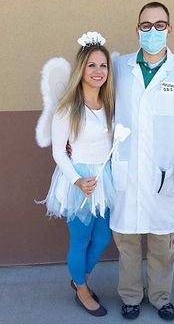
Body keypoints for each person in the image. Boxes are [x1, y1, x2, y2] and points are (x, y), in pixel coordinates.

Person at [111, 1, 174, 321]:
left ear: (170, 29)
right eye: (146, 26)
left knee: (163, 243)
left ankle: (161, 296)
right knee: (127, 241)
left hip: (164, 172)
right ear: (137, 30)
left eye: (159, 25)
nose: (153, 31)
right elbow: (97, 106)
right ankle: (131, 296)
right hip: (126, 170)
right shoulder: (119, 66)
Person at [37, 32, 114, 317]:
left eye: (103, 65)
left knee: (103, 237)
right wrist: (77, 181)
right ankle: (82, 288)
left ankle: (78, 276)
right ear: (81, 68)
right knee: (80, 239)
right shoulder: (68, 108)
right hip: (79, 179)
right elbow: (59, 151)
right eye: (91, 65)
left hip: (104, 179)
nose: (98, 71)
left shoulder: (109, 103)